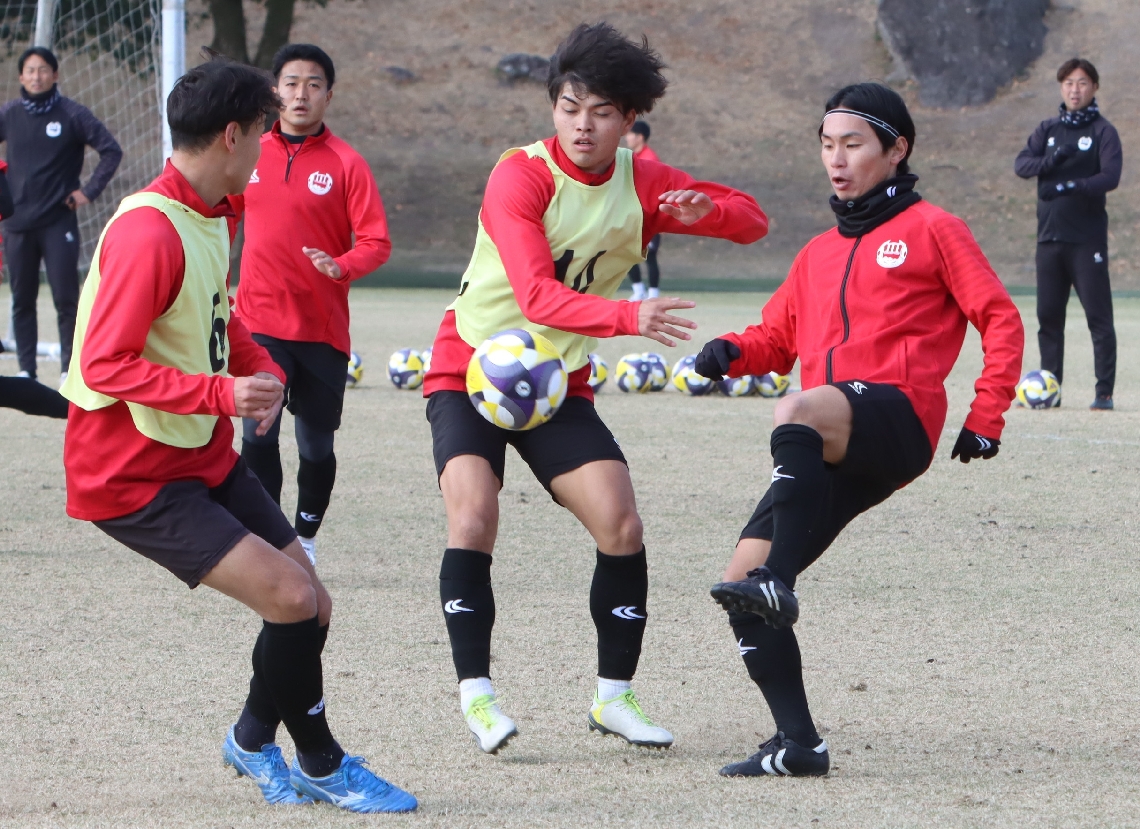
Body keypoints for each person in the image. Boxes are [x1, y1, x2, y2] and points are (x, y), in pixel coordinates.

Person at [59, 56, 415, 813]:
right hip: (133, 475)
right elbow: (103, 362)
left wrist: (257, 370)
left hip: (197, 451)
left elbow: (220, 311)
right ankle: (321, 760)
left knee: (313, 602)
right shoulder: (149, 232)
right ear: (231, 136)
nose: (266, 145)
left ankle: (253, 737)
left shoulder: (214, 211)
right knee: (290, 594)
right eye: (260, 130)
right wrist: (224, 391)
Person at [424, 22, 768, 755]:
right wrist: (629, 315)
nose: (583, 124)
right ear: (553, 106)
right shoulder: (519, 174)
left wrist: (712, 212)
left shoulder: (642, 177)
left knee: (621, 524)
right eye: (570, 106)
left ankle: (614, 698)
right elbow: (538, 297)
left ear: (630, 121)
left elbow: (753, 223)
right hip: (471, 369)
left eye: (602, 112)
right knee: (475, 515)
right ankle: (478, 695)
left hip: (558, 384)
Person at [696, 82, 1023, 777]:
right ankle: (799, 744)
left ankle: (778, 577)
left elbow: (1000, 317)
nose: (836, 159)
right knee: (738, 583)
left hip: (896, 418)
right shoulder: (816, 253)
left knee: (798, 409)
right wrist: (731, 351)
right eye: (826, 144)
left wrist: (986, 412)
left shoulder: (935, 228)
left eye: (852, 144)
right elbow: (776, 338)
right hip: (828, 436)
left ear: (895, 149)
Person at [235, 43, 390, 566]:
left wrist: (341, 266)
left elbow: (376, 242)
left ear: (329, 94)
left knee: (315, 448)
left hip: (321, 328)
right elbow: (221, 215)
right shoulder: (249, 150)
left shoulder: (348, 162)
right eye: (292, 82)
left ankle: (306, 536)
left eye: (314, 84)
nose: (301, 94)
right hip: (257, 322)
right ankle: (267, 534)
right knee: (257, 434)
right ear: (274, 90)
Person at [0, 46, 122, 385]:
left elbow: (111, 150)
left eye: (43, 70)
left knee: (66, 299)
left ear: (55, 75)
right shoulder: (8, 114)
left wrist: (88, 191)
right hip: (17, 223)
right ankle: (27, 370)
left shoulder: (72, 114)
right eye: (29, 70)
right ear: (21, 76)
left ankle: (70, 369)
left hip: (58, 221)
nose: (36, 76)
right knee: (21, 299)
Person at [1015, 58, 1121, 410]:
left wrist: (1070, 185)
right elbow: (1022, 165)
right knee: (1048, 317)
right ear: (1061, 88)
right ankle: (1050, 388)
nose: (1075, 89)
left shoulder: (1103, 132)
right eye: (1069, 83)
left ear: (1094, 88)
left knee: (1098, 319)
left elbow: (1111, 176)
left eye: (1082, 83)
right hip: (1049, 240)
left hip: (1086, 241)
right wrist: (1052, 162)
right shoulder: (1048, 129)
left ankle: (1103, 393)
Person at [623, 120, 662, 300]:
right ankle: (639, 290)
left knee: (650, 254)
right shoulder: (633, 158)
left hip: (648, 216)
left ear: (640, 137)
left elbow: (649, 191)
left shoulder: (649, 159)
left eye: (630, 134)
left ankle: (653, 293)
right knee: (628, 251)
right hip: (634, 215)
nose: (627, 137)